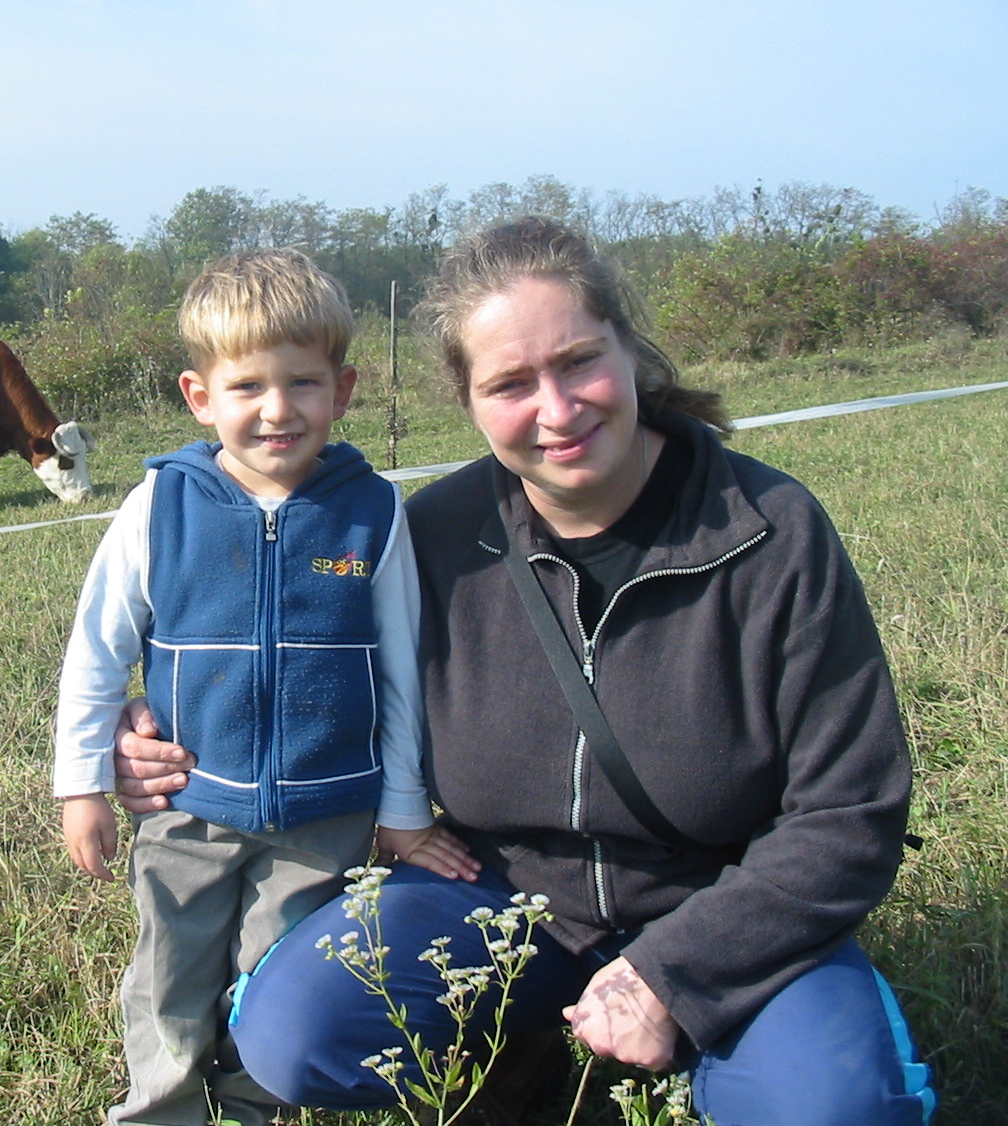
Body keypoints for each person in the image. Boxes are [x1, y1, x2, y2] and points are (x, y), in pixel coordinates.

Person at [115, 219, 935, 1125]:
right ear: (467, 399)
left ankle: (703, 1037)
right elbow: (299, 667)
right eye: (509, 383)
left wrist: (673, 973)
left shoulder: (770, 529)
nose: (557, 408)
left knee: (840, 1111)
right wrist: (154, 729)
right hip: (497, 896)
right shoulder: (425, 537)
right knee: (291, 1036)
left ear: (632, 352)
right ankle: (530, 1038)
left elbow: (851, 812)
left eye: (580, 361)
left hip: (726, 912)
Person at [53, 249, 470, 1126]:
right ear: (199, 396)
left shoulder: (372, 512)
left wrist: (401, 807)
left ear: (343, 389)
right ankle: (161, 1113)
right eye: (247, 387)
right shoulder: (157, 506)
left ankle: (248, 1111)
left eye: (302, 384)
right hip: (185, 811)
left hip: (324, 824)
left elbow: (401, 671)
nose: (278, 410)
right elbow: (96, 652)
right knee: (170, 980)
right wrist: (84, 783)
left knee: (273, 981)